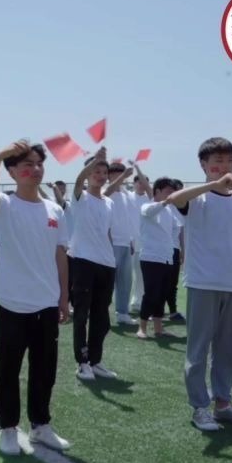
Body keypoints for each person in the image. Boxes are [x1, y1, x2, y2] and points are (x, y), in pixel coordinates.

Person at [0, 142, 71, 455]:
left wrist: (63, 297)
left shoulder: (55, 210)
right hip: (12, 304)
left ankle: (41, 427)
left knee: (45, 370)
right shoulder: (4, 204)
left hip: (46, 304)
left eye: (38, 163)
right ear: (13, 172)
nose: (34, 169)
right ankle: (7, 429)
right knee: (8, 370)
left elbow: (60, 255)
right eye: (26, 165)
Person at [167, 137, 232, 431]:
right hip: (202, 283)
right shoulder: (197, 198)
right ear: (204, 165)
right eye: (217, 162)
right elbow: (174, 199)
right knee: (198, 349)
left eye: (229, 161)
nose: (224, 167)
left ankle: (223, 403)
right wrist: (213, 185)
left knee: (230, 349)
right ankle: (199, 408)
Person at [68, 148, 118, 381]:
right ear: (88, 174)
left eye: (103, 171)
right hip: (83, 262)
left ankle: (96, 361)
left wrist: (112, 260)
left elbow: (106, 232)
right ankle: (82, 362)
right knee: (81, 315)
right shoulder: (79, 197)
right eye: (95, 170)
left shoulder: (108, 202)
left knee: (102, 317)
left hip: (106, 264)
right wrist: (95, 160)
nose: (100, 174)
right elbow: (78, 180)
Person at [135, 178, 178, 339]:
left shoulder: (170, 211)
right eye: (168, 191)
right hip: (150, 257)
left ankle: (159, 328)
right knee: (151, 293)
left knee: (162, 293)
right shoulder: (147, 205)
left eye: (172, 192)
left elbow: (175, 230)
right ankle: (142, 327)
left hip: (167, 257)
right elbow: (151, 211)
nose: (171, 195)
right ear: (157, 191)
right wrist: (166, 202)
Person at [104, 162, 137, 325]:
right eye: (115, 173)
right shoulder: (105, 191)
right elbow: (108, 190)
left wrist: (131, 240)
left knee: (125, 281)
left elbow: (128, 220)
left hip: (125, 242)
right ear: (109, 175)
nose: (119, 176)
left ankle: (122, 313)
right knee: (108, 281)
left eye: (121, 173)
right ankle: (101, 312)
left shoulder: (125, 194)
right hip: (111, 243)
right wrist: (123, 176)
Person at [129, 172, 153, 312]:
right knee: (127, 276)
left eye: (144, 183)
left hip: (143, 243)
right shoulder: (128, 196)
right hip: (128, 242)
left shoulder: (149, 199)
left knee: (140, 276)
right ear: (134, 183)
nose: (142, 185)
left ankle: (137, 302)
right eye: (139, 182)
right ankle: (124, 303)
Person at [164, 180, 187, 323]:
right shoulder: (163, 206)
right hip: (161, 250)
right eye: (174, 190)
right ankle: (154, 313)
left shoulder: (181, 209)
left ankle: (172, 311)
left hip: (174, 249)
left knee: (172, 283)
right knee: (160, 282)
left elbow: (181, 232)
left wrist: (182, 250)